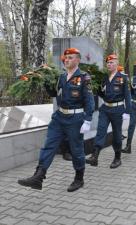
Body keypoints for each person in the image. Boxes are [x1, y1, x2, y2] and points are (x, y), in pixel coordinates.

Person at [18, 48, 95, 192]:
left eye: (71, 57)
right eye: (66, 58)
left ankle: (79, 179)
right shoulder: (61, 76)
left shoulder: (84, 77)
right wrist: (46, 81)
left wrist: (88, 120)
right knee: (49, 145)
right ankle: (38, 177)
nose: (67, 60)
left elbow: (89, 100)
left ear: (78, 60)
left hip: (75, 118)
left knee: (76, 149)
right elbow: (54, 93)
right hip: (59, 117)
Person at [85, 54, 131, 168]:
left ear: (117, 64)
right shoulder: (104, 78)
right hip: (105, 109)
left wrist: (127, 111)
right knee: (100, 131)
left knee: (116, 134)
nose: (109, 65)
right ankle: (95, 156)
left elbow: (127, 96)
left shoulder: (123, 78)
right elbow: (102, 94)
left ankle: (117, 158)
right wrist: (94, 87)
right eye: (108, 63)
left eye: (111, 62)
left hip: (117, 110)